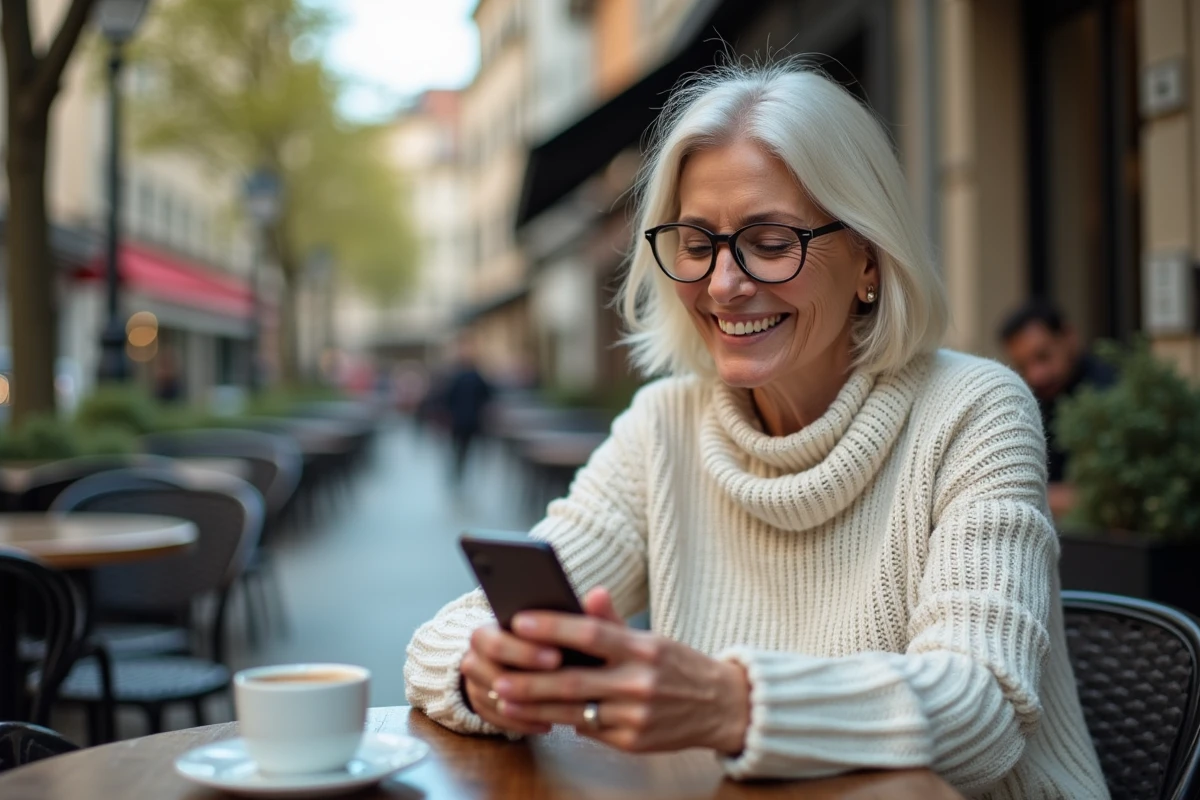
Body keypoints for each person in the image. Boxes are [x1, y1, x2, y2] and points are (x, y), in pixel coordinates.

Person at [405, 62, 1107, 799]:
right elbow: (447, 638)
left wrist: (730, 704)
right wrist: (492, 674)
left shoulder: (973, 409)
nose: (722, 285)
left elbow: (981, 709)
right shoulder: (663, 425)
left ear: (868, 259)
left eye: (770, 242)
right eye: (696, 243)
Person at [999, 300, 1117, 518]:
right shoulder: (1032, 402)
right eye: (1023, 366)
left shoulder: (1109, 392)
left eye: (1043, 356)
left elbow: (1104, 495)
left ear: (1069, 337)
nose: (1036, 375)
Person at [436, 338, 494, 487]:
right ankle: (459, 471)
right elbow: (487, 396)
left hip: (462, 419)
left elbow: (446, 398)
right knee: (464, 448)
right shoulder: (474, 376)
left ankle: (458, 471)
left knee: (460, 448)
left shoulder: (458, 376)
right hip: (469, 419)